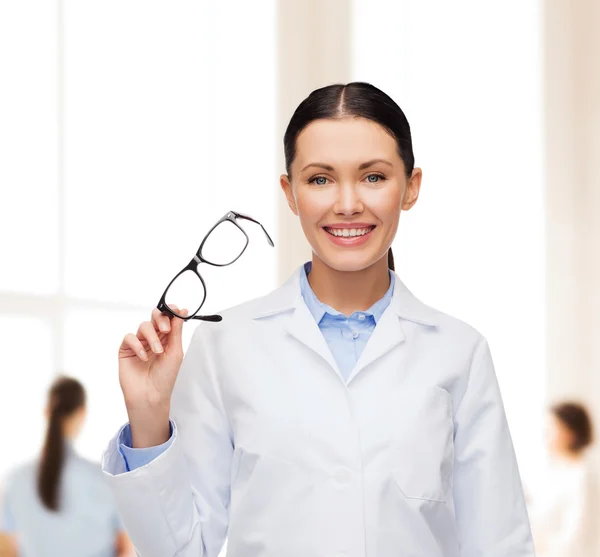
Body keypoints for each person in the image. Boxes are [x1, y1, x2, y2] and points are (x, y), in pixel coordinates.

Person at [102, 82, 535, 556]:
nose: (347, 204)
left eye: (373, 177)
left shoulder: (459, 352)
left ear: (411, 187)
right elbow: (184, 550)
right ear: (289, 193)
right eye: (320, 179)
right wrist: (147, 419)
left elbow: (500, 543)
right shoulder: (227, 347)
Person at [0, 376, 133, 557]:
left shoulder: (15, 479)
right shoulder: (104, 479)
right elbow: (126, 548)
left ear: (46, 411)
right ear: (81, 413)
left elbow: (6, 549)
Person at [528, 402, 599, 557]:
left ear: (570, 433)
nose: (545, 434)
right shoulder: (554, 473)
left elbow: (575, 536)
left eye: (552, 428)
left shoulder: (583, 477)